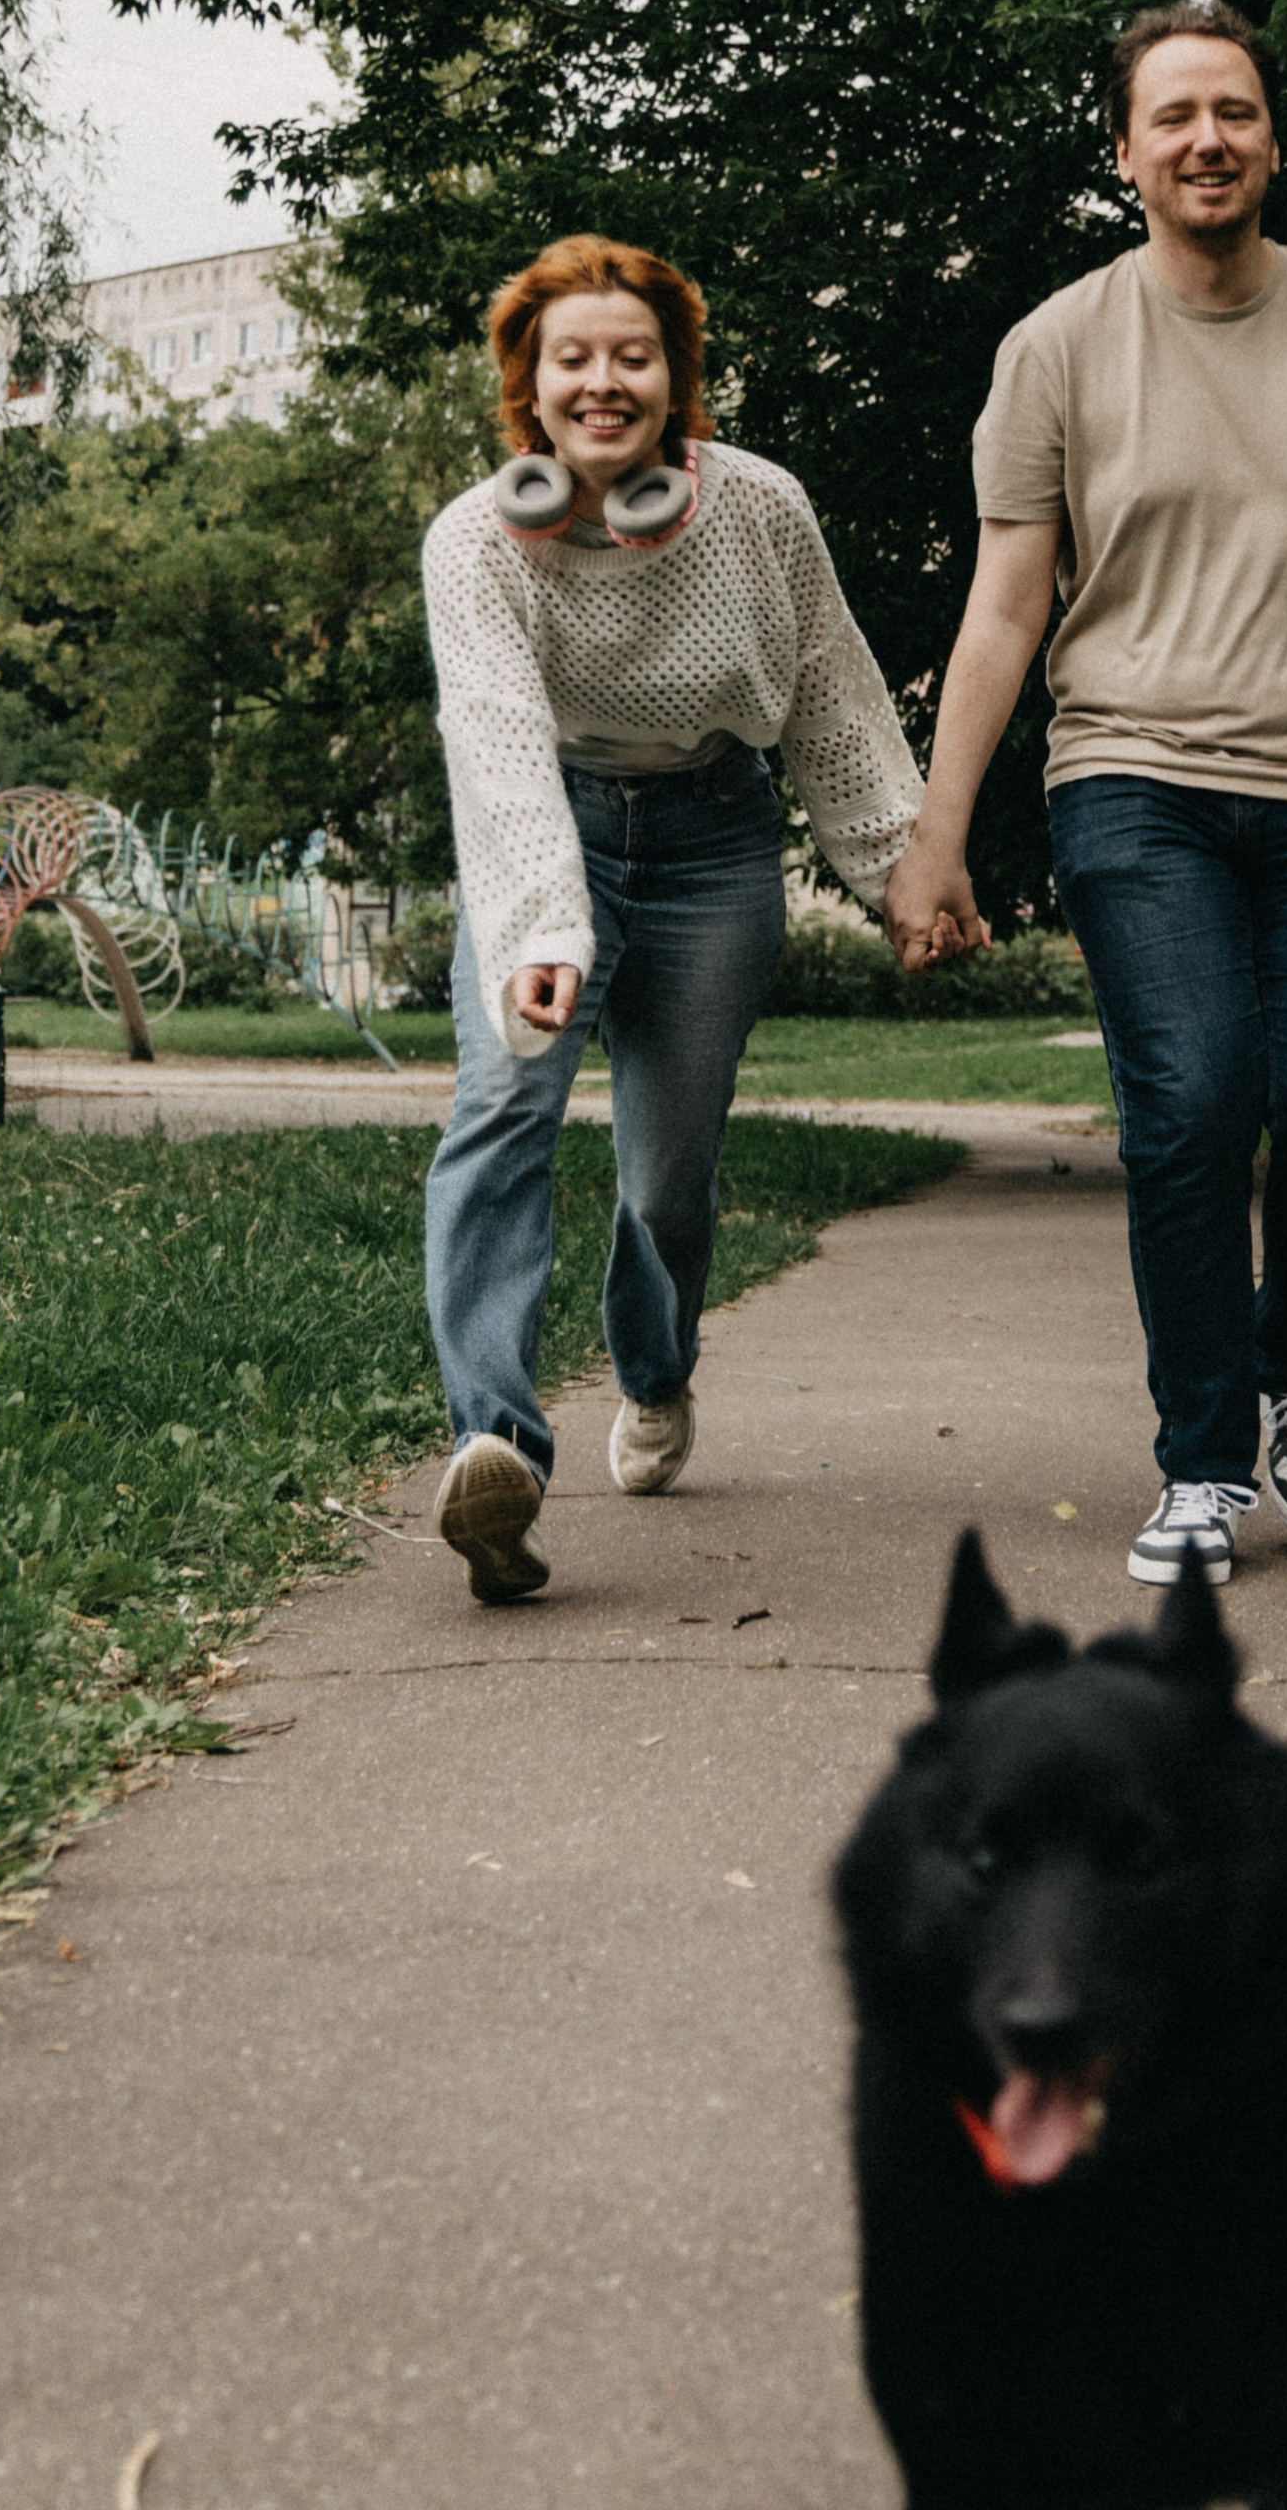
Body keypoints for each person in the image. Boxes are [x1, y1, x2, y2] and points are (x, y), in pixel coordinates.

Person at [883, 0, 1287, 1586]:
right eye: (1173, 116)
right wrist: (939, 831)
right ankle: (1201, 1466)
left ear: (1270, 137)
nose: (1206, 139)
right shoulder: (1055, 348)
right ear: (1124, 153)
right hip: (1136, 773)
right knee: (1188, 1111)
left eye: (1232, 110)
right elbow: (1003, 606)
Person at [421, 233, 921, 1604]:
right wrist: (543, 937)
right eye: (570, 356)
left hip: (713, 845)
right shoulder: (479, 540)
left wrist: (900, 873)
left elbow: (832, 694)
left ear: (674, 374)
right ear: (529, 380)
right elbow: (502, 743)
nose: (602, 381)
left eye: (630, 356)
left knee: (667, 1180)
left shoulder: (758, 510)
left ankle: (655, 1371)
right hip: (548, 833)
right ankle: (498, 1446)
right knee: (499, 1116)